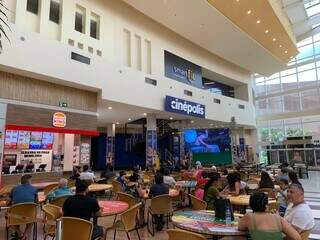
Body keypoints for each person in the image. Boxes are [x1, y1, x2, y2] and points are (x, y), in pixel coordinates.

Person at [7, 175, 38, 239]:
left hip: (15, 216)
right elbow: (36, 202)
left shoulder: (14, 189)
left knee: (8, 219)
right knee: (32, 220)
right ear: (29, 181)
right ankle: (25, 234)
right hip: (29, 216)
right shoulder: (34, 189)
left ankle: (20, 233)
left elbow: (7, 203)